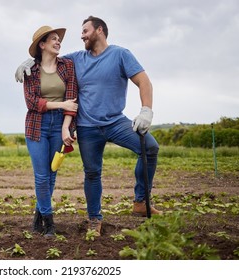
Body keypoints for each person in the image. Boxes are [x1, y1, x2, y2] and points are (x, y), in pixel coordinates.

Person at [15, 16, 161, 236]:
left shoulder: (121, 55)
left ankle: (141, 201)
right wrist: (29, 61)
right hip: (87, 127)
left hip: (115, 121)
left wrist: (146, 110)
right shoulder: (76, 59)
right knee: (92, 173)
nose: (81, 35)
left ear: (99, 30)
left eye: (85, 31)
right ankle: (94, 218)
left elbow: (144, 81)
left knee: (150, 148)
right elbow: (50, 62)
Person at [21, 25, 78, 238]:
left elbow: (72, 100)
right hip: (37, 125)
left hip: (60, 125)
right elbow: (32, 102)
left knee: (52, 174)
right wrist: (61, 105)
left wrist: (66, 127)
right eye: (53, 39)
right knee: (42, 176)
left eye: (58, 39)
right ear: (42, 45)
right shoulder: (30, 70)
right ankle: (49, 223)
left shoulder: (68, 66)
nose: (58, 42)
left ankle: (38, 216)